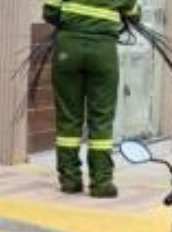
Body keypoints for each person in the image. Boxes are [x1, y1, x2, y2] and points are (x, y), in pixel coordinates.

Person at [44, 0, 136, 198]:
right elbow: (134, 14)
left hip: (68, 48)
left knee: (68, 117)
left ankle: (70, 180)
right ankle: (101, 183)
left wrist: (74, 22)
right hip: (103, 51)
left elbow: (49, 11)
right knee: (101, 118)